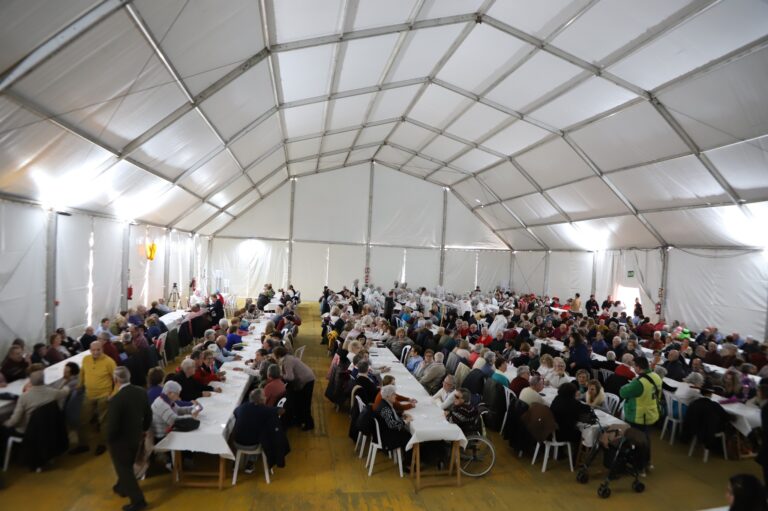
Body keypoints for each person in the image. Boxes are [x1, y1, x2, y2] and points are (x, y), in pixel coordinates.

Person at [106, 366, 152, 511]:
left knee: (124, 468)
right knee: (127, 464)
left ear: (115, 380)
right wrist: (144, 429)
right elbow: (148, 414)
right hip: (136, 436)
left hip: (121, 441)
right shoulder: (141, 391)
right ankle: (121, 487)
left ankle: (138, 501)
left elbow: (113, 425)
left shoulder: (116, 399)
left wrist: (109, 439)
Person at [1, 364, 69, 457]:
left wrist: (4, 424)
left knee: (3, 429)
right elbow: (65, 391)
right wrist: (65, 381)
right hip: (48, 427)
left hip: (28, 431)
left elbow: (14, 421)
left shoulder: (24, 397)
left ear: (30, 379)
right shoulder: (52, 392)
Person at [72, 340, 117, 456]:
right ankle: (83, 444)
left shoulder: (109, 362)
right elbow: (82, 373)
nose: (96, 352)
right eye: (93, 350)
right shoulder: (86, 359)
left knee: (103, 421)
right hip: (89, 394)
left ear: (102, 349)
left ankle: (102, 444)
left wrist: (113, 394)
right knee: (83, 420)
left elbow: (117, 380)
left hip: (104, 395)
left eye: (98, 350)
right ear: (90, 350)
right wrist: (79, 385)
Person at [619, 356, 662, 472]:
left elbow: (622, 392)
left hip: (638, 415)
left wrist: (633, 382)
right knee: (646, 438)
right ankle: (647, 463)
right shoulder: (656, 376)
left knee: (637, 441)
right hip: (651, 413)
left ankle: (639, 467)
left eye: (634, 366)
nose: (633, 368)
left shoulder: (639, 383)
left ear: (638, 367)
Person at [232, 388, 284, 474]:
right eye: (264, 396)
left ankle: (236, 463)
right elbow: (281, 411)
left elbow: (235, 412)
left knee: (249, 430)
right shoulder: (264, 409)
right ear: (261, 400)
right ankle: (250, 463)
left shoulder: (242, 406)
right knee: (262, 436)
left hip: (237, 442)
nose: (265, 397)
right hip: (252, 445)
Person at [273, 346, 315, 431]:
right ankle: (299, 420)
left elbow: (290, 377)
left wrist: (281, 375)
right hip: (304, 379)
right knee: (298, 401)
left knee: (305, 403)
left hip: (307, 380)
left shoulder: (287, 361)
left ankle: (309, 424)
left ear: (278, 355)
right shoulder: (287, 358)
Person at [376, 385, 413, 468]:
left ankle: (409, 459)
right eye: (393, 394)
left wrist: (401, 416)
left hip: (386, 431)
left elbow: (391, 416)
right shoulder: (385, 408)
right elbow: (392, 424)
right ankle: (407, 465)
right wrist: (406, 421)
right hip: (387, 437)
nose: (395, 396)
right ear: (387, 396)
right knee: (409, 437)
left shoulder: (385, 403)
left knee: (407, 433)